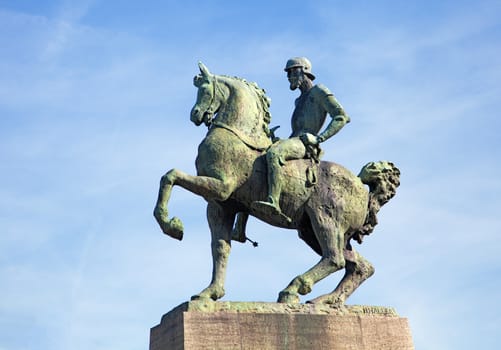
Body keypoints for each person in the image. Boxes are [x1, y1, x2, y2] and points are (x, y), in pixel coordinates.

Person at [251, 57, 350, 222]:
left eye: (292, 71)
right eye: (288, 73)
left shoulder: (319, 91)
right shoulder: (299, 100)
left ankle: (273, 201)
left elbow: (341, 117)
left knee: (274, 155)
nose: (289, 76)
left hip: (305, 144)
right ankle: (240, 226)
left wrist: (319, 138)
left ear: (304, 70)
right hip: (294, 140)